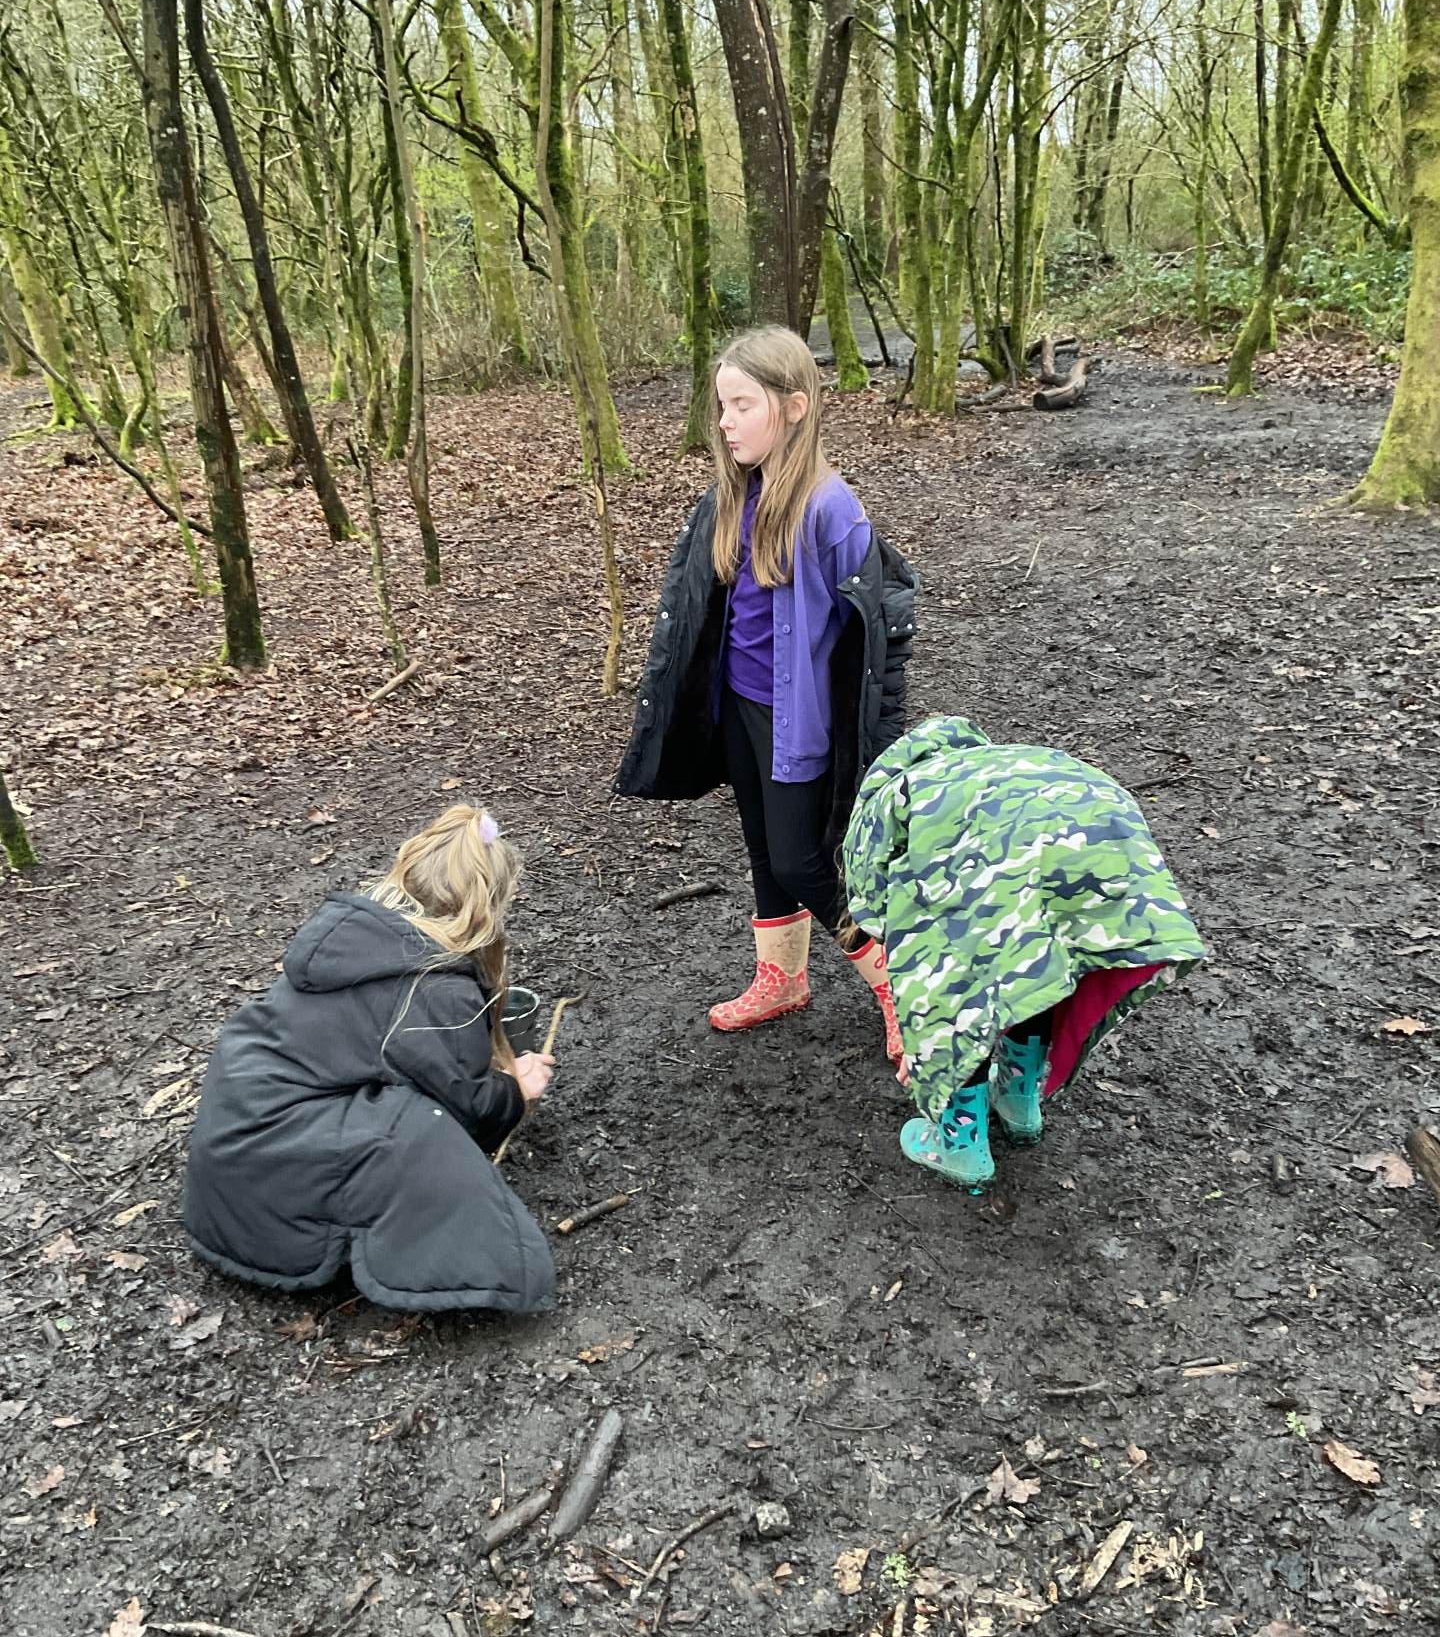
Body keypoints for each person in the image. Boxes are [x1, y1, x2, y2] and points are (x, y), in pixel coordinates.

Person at [617, 325, 918, 1064]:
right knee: (761, 847)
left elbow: (880, 635)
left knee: (801, 861)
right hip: (739, 708)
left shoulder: (830, 509)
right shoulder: (731, 495)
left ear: (793, 406)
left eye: (741, 405)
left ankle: (903, 987)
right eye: (721, 405)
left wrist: (875, 742)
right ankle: (782, 977)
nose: (724, 422)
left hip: (799, 723)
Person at [183, 806, 556, 1313]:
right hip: (271, 1192)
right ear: (486, 907)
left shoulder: (358, 939)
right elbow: (466, 1108)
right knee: (418, 1127)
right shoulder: (437, 989)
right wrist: (515, 1090)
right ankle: (494, 1276)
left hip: (233, 1162)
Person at [843, 717, 1209, 1188]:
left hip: (1024, 845)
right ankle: (1019, 1101)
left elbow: (881, 913)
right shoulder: (994, 765)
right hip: (1103, 831)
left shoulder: (890, 801)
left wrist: (924, 1039)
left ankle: (960, 1146)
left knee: (959, 987)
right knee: (1039, 960)